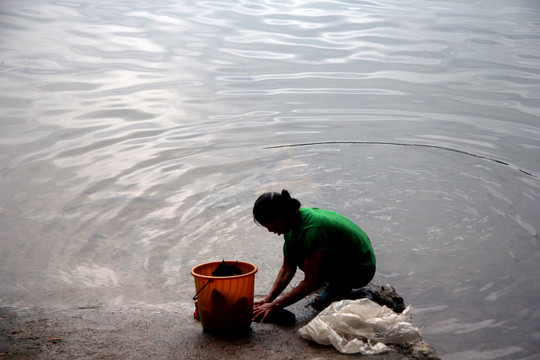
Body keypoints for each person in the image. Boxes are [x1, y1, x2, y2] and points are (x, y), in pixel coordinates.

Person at [252, 189, 376, 323]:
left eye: (268, 226)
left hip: (361, 268)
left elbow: (310, 281)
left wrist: (275, 306)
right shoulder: (293, 222)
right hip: (343, 256)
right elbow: (287, 269)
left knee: (315, 291)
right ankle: (326, 280)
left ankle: (338, 287)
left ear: (277, 218)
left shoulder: (312, 229)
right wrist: (269, 299)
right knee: (300, 257)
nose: (270, 231)